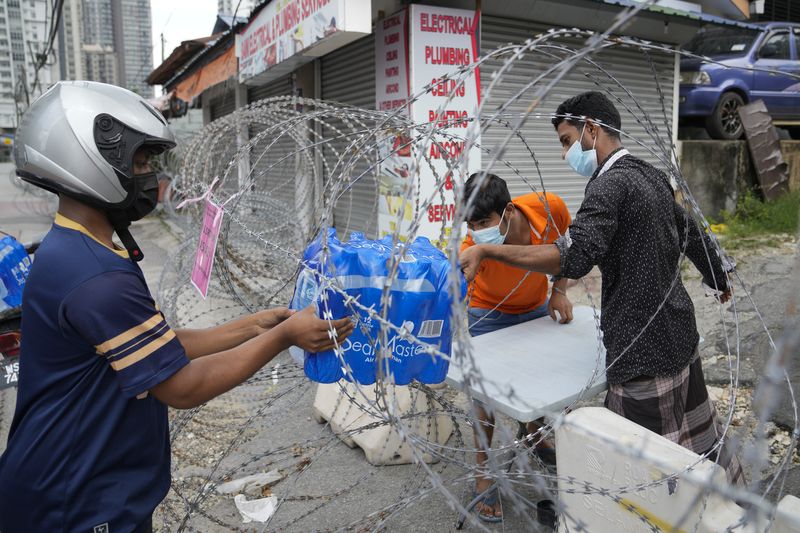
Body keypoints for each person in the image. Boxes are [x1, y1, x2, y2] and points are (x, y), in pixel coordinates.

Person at [0, 81, 355, 532]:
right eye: (140, 163)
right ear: (88, 160)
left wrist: (251, 326)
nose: (150, 177)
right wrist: (283, 337)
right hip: (76, 500)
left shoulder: (79, 248)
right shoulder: (96, 278)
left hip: (78, 481)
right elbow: (181, 387)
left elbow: (157, 346)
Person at [459, 91, 744, 486]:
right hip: (679, 335)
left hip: (641, 352)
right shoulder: (649, 174)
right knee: (699, 444)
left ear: (591, 130)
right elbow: (689, 230)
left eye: (565, 140)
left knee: (641, 473)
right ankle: (730, 507)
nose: (564, 154)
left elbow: (571, 257)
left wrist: (491, 249)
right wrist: (718, 274)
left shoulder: (608, 186)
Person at [461, 172, 573, 522]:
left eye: (483, 222)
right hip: (489, 315)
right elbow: (454, 288)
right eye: (470, 224)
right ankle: (483, 470)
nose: (476, 231)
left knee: (538, 379)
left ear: (508, 211)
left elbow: (566, 248)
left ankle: (536, 433)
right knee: (486, 394)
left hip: (535, 307)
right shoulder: (471, 250)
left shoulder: (549, 209)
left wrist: (559, 290)